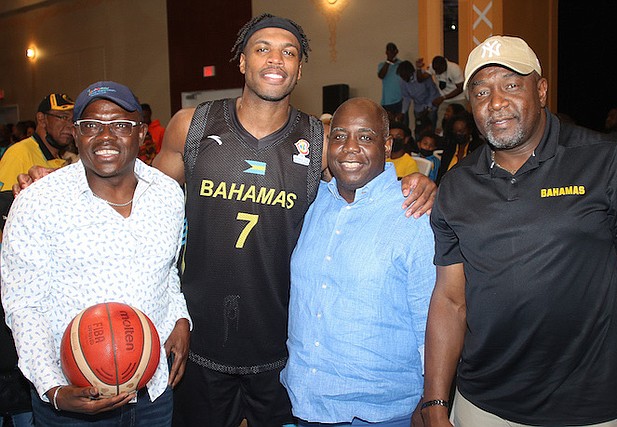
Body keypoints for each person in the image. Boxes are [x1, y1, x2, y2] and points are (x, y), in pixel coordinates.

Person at [145, 14, 436, 427]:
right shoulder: (190, 126)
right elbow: (142, 207)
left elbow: (368, 182)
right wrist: (59, 181)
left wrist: (420, 184)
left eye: (289, 52)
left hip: (284, 355)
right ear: (242, 61)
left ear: (300, 69)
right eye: (262, 48)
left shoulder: (319, 144)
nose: (275, 59)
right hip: (198, 341)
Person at [423, 35, 617, 427]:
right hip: (481, 405)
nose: (495, 103)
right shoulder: (457, 183)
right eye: (481, 92)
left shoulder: (604, 160)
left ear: (541, 90)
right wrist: (435, 402)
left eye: (510, 85)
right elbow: (451, 300)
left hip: (591, 409)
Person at [1, 81, 191, 426]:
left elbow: (167, 274)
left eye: (120, 125)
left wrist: (180, 318)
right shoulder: (37, 203)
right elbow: (23, 305)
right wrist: (52, 388)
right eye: (91, 125)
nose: (105, 137)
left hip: (153, 395)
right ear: (76, 133)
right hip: (73, 400)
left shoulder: (168, 194)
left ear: (141, 132)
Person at [281, 97, 435, 427]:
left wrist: (432, 402)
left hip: (380, 414)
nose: (350, 148)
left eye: (365, 137)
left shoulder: (414, 214)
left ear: (388, 145)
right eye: (339, 136)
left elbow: (431, 326)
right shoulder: (311, 202)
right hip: (305, 404)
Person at [0, 93, 75, 191]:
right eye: (64, 118)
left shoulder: (64, 158)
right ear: (42, 119)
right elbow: (4, 202)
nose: (70, 125)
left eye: (73, 120)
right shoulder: (19, 153)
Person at [397, 60, 442, 137]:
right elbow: (406, 97)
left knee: (431, 130)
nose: (403, 78)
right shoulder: (402, 81)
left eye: (404, 75)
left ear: (410, 72)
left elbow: (432, 91)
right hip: (418, 107)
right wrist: (403, 112)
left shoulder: (423, 75)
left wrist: (428, 107)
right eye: (402, 76)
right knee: (419, 130)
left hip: (431, 104)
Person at [435, 112, 483, 183]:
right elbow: (441, 174)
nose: (458, 134)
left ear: (469, 130)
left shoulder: (477, 148)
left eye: (461, 131)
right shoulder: (449, 148)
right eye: (456, 131)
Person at [428, 56, 467, 136]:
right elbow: (422, 77)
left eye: (439, 70)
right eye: (435, 70)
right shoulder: (433, 67)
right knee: (440, 121)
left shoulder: (454, 69)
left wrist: (443, 97)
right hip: (444, 100)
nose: (437, 72)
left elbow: (460, 88)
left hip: (459, 98)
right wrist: (419, 68)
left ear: (444, 66)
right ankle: (440, 138)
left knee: (459, 120)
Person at [377, 42, 403, 118]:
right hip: (386, 101)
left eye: (393, 51)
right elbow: (381, 75)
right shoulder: (382, 65)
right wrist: (388, 61)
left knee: (401, 126)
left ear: (396, 51)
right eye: (389, 51)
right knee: (387, 126)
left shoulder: (401, 65)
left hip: (400, 100)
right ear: (386, 52)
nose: (391, 53)